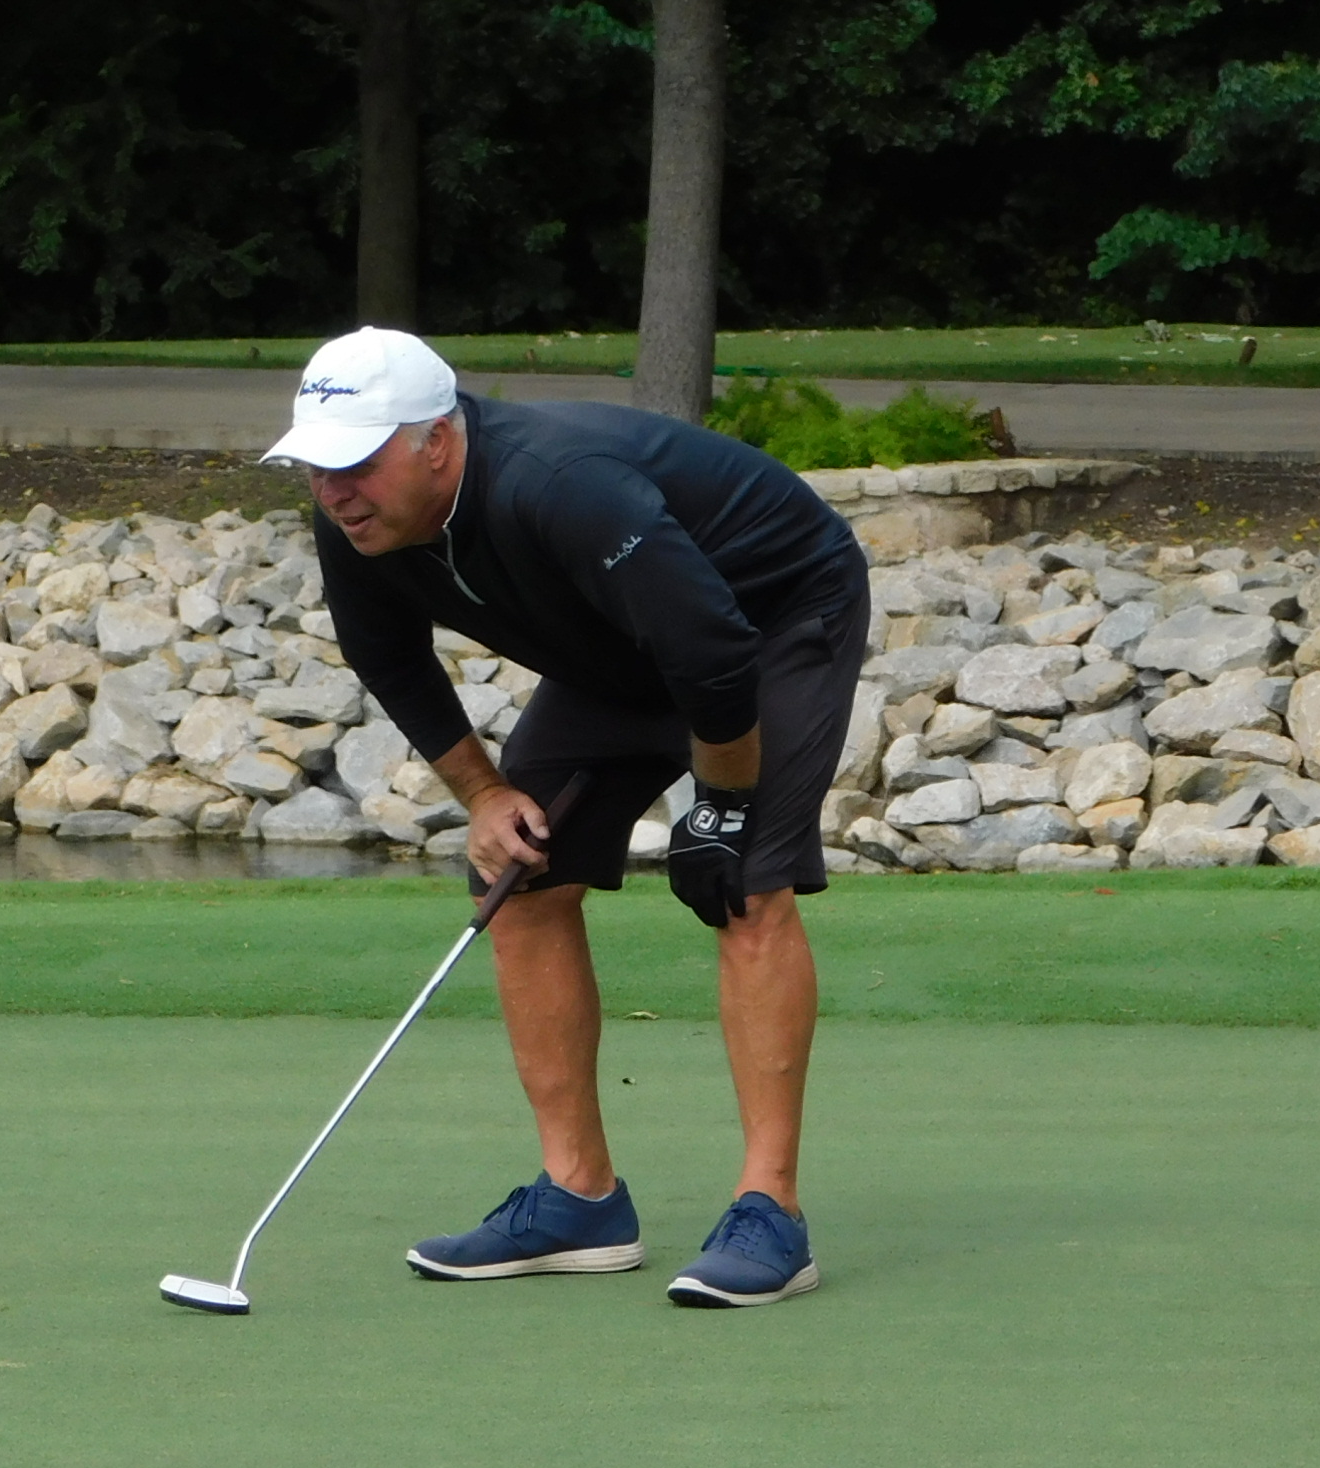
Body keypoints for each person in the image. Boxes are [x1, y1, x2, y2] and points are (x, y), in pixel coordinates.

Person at [262, 326, 871, 1309]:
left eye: (357, 463)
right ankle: (580, 1197)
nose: (334, 490)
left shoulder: (562, 484)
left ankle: (770, 1212)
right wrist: (485, 795)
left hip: (771, 615)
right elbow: (389, 658)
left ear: (435, 441)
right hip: (619, 641)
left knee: (743, 884)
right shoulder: (357, 520)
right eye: (317, 465)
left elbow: (713, 655)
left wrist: (719, 807)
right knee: (520, 878)